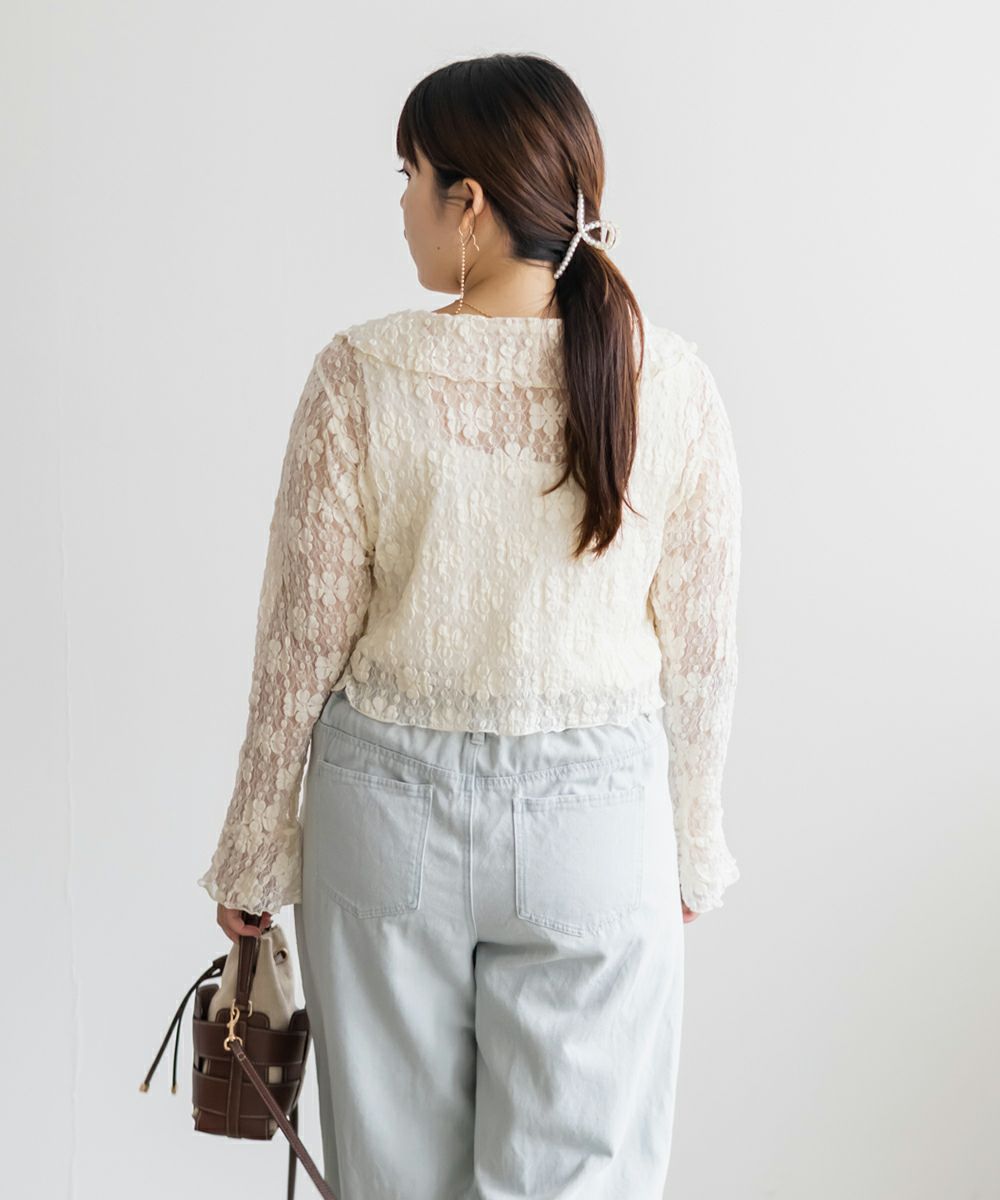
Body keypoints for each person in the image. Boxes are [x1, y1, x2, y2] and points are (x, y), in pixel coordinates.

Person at [197, 51, 742, 1200]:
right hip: (598, 829)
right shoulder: (671, 381)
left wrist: (255, 846)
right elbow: (698, 653)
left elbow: (299, 644)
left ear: (471, 203)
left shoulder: (361, 374)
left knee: (395, 1180)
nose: (400, 203)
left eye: (410, 175)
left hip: (385, 821)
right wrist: (690, 842)